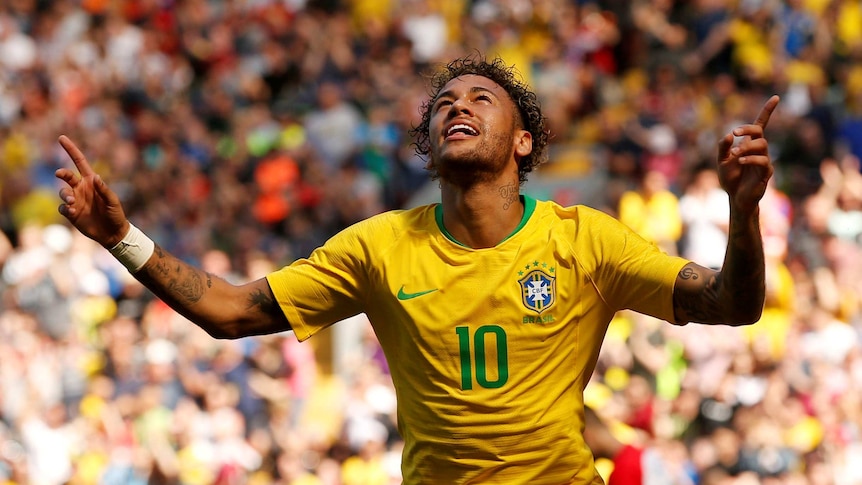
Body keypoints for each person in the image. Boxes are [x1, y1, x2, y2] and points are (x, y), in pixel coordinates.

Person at [55, 56, 779, 484]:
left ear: (523, 141)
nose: (456, 107)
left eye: (479, 99)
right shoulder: (378, 246)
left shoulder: (585, 241)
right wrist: (121, 235)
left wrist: (742, 212)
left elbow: (730, 303)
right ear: (430, 144)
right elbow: (232, 311)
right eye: (444, 105)